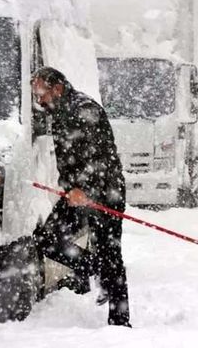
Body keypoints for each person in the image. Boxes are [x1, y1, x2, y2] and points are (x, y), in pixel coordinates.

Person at [31, 67, 131, 327]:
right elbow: (68, 160)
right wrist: (69, 188)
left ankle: (120, 322)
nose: (39, 100)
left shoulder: (85, 109)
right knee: (46, 239)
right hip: (77, 194)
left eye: (41, 94)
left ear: (58, 88)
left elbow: (100, 158)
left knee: (111, 253)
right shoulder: (59, 112)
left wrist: (84, 189)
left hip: (105, 193)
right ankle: (96, 268)